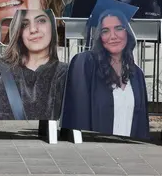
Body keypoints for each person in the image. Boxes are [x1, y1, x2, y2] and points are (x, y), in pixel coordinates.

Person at [61, 9, 150, 139]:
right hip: (98, 152)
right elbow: (77, 115)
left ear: (128, 32)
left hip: (128, 153)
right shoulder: (86, 64)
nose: (113, 36)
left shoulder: (137, 75)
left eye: (119, 28)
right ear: (99, 37)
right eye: (105, 31)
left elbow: (142, 125)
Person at [0, 9, 68, 120]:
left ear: (52, 27)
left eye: (41, 21)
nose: (33, 29)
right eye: (25, 24)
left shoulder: (65, 73)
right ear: (18, 31)